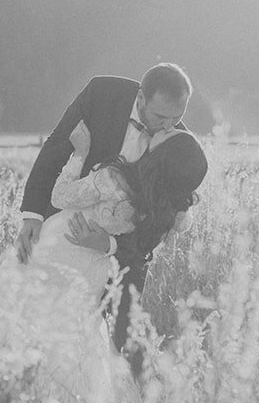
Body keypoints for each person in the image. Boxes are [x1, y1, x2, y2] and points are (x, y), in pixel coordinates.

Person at [0, 123, 206, 403]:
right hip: (94, 267)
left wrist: (78, 156)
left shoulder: (114, 179)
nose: (166, 128)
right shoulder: (172, 209)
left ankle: (2, 400)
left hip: (60, 247)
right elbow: (147, 242)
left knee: (23, 315)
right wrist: (110, 245)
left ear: (164, 153)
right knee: (71, 334)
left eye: (168, 134)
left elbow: (60, 195)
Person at [17, 64, 207, 370]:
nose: (169, 126)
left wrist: (109, 245)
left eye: (178, 117)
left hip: (128, 253)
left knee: (124, 341)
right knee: (44, 318)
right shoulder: (101, 93)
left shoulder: (177, 144)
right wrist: (32, 214)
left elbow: (158, 225)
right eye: (161, 117)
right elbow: (56, 146)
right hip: (69, 237)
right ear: (142, 98)